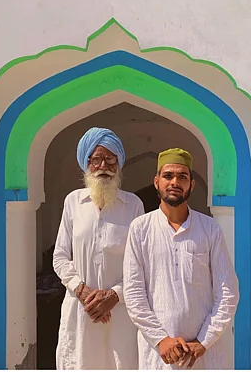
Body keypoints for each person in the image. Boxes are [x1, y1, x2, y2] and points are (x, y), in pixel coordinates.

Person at [122, 148, 239, 370]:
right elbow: (134, 293)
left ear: (191, 184)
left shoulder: (209, 229)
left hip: (204, 355)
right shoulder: (140, 229)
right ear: (156, 182)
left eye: (182, 177)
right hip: (159, 355)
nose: (175, 182)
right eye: (168, 176)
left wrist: (204, 341)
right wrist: (161, 340)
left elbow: (227, 291)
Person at [52, 127, 143, 369]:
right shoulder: (73, 202)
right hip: (80, 310)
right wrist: (82, 291)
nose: (104, 166)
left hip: (120, 312)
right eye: (97, 159)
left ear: (119, 164)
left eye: (111, 159)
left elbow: (140, 264)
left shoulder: (133, 205)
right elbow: (60, 256)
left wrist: (113, 296)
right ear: (87, 164)